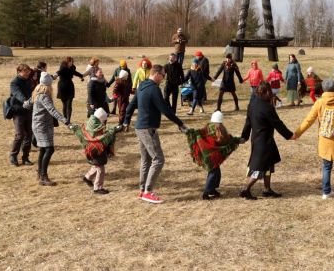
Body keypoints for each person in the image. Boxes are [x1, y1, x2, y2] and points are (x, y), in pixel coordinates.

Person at [124, 64, 188, 204]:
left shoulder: (141, 86)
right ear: (157, 74)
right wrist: (180, 123)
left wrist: (126, 121)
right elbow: (165, 109)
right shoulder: (154, 89)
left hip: (139, 127)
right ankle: (147, 191)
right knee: (158, 159)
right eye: (163, 75)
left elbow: (131, 104)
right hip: (148, 129)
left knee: (146, 160)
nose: (164, 78)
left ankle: (142, 191)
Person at [239, 82, 295, 200]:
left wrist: (244, 136)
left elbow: (248, 122)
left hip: (259, 139)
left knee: (268, 165)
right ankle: (246, 189)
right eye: (269, 92)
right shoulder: (267, 107)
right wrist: (289, 135)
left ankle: (267, 189)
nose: (271, 94)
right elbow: (277, 123)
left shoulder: (252, 104)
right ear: (265, 92)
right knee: (260, 167)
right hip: (263, 142)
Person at [185, 111, 241, 200]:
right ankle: (206, 192)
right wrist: (238, 140)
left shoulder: (207, 128)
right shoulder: (220, 129)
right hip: (213, 157)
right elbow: (228, 140)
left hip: (207, 156)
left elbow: (196, 133)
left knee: (216, 172)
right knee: (213, 173)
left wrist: (188, 131)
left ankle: (212, 190)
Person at [70, 108, 124, 195]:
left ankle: (87, 177)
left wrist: (73, 128)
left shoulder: (88, 124)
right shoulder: (98, 128)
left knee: (97, 165)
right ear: (101, 119)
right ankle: (98, 188)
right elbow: (105, 137)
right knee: (101, 169)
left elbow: (79, 131)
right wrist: (115, 130)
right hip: (98, 151)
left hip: (89, 150)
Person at [31, 72, 70, 186]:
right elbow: (52, 110)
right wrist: (66, 121)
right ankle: (43, 177)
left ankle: (40, 172)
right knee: (49, 149)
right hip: (42, 126)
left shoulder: (37, 91)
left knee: (43, 149)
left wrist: (25, 104)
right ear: (48, 85)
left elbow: (28, 103)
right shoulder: (44, 96)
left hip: (40, 125)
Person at [9, 64, 34, 166]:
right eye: (26, 71)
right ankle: (13, 156)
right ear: (20, 72)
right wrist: (25, 101)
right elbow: (17, 93)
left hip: (28, 111)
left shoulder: (28, 80)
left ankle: (25, 157)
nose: (28, 73)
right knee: (20, 135)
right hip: (18, 111)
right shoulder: (14, 82)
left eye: (28, 71)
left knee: (29, 135)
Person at [56, 57, 84, 121]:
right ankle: (65, 119)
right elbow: (59, 72)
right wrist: (54, 75)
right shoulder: (63, 67)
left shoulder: (72, 67)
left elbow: (75, 72)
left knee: (69, 104)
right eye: (69, 62)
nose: (71, 63)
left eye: (71, 61)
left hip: (70, 87)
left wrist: (81, 76)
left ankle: (68, 119)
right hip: (62, 87)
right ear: (66, 62)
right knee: (64, 105)